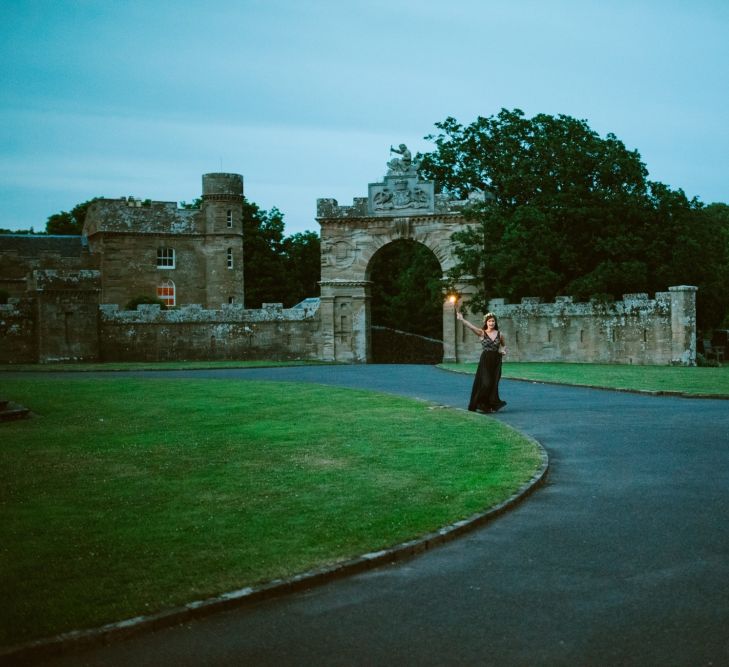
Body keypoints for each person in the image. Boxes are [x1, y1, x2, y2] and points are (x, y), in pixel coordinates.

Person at [457, 310, 507, 413]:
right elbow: (471, 326)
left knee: (493, 384)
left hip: (496, 360)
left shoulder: (500, 334)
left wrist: (503, 350)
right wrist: (462, 319)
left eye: (493, 321)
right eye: (489, 321)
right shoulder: (482, 333)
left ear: (495, 322)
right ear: (486, 322)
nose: (491, 323)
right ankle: (478, 403)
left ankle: (488, 405)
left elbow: (503, 345)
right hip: (485, 360)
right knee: (486, 383)